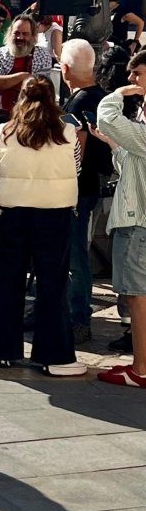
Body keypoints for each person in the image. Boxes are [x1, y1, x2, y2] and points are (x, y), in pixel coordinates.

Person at [0, 77, 84, 375]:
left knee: (6, 283)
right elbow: (76, 168)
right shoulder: (68, 132)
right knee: (53, 285)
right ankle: (54, 356)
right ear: (52, 99)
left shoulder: (4, 132)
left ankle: (2, 351)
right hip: (55, 214)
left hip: (12, 214)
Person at [93, 54, 146, 387]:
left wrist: (118, 94)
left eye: (138, 73)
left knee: (137, 297)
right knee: (137, 297)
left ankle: (140, 370)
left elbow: (107, 115)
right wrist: (114, 144)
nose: (132, 78)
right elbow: (132, 163)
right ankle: (139, 365)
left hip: (139, 220)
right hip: (137, 216)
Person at [58, 40, 112, 343]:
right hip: (91, 187)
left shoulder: (78, 103)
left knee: (75, 255)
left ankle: (78, 318)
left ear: (65, 69)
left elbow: (74, 150)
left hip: (75, 189)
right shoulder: (103, 99)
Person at [0, 14, 55, 112]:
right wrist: (23, 77)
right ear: (10, 33)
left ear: (33, 36)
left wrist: (6, 82)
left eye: (25, 34)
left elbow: (41, 89)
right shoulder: (0, 54)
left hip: (31, 114)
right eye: (16, 33)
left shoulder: (42, 55)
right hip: (2, 113)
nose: (20, 37)